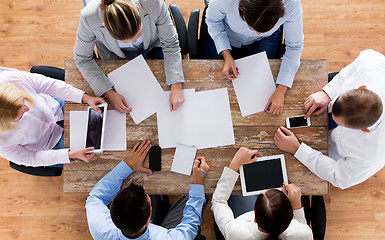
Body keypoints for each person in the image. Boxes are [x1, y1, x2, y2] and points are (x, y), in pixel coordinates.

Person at [274, 49, 385, 189]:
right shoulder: (373, 64)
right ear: (361, 87)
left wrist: (297, 149)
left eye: (340, 123)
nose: (329, 114)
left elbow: (336, 176)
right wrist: (328, 93)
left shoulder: (370, 156)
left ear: (364, 130)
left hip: (332, 153)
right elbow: (354, 67)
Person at [74, 0, 185, 113]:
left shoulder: (154, 3)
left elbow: (170, 45)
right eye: (125, 41)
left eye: (138, 33)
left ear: (137, 9)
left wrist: (176, 85)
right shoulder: (89, 17)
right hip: (114, 56)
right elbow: (82, 59)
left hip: (152, 46)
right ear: (106, 26)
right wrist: (108, 93)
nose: (135, 41)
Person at [86, 140, 209, 240]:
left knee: (148, 179)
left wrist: (127, 165)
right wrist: (198, 182)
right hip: (165, 232)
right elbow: (190, 226)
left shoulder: (101, 228)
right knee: (201, 195)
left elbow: (95, 198)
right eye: (148, 203)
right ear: (148, 221)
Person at [205, 0, 304, 115]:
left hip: (266, 39)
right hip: (226, 33)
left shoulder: (291, 3)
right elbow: (212, 20)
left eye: (261, 30)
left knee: (260, 92)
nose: (257, 33)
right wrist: (226, 54)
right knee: (215, 87)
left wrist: (282, 90)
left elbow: (294, 46)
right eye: (252, 28)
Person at [0, 69, 105, 166]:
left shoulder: (10, 79)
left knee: (105, 115)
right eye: (21, 115)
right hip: (50, 145)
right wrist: (69, 155)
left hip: (55, 107)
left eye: (23, 101)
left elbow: (49, 85)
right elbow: (30, 158)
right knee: (100, 157)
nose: (27, 109)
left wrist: (84, 97)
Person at [211, 147, 313, 240]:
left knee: (242, 192)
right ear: (292, 216)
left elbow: (218, 201)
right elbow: (301, 228)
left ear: (255, 219)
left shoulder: (234, 232)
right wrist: (296, 204)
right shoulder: (304, 234)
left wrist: (235, 163)